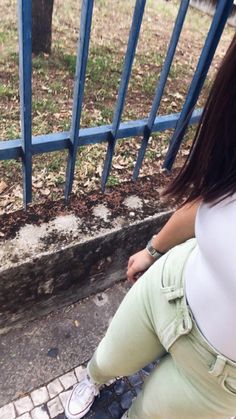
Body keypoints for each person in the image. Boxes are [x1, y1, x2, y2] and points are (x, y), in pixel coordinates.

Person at [65, 33, 236, 419]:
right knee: (108, 357)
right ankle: (93, 378)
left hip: (219, 381)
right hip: (171, 287)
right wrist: (152, 250)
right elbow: (207, 204)